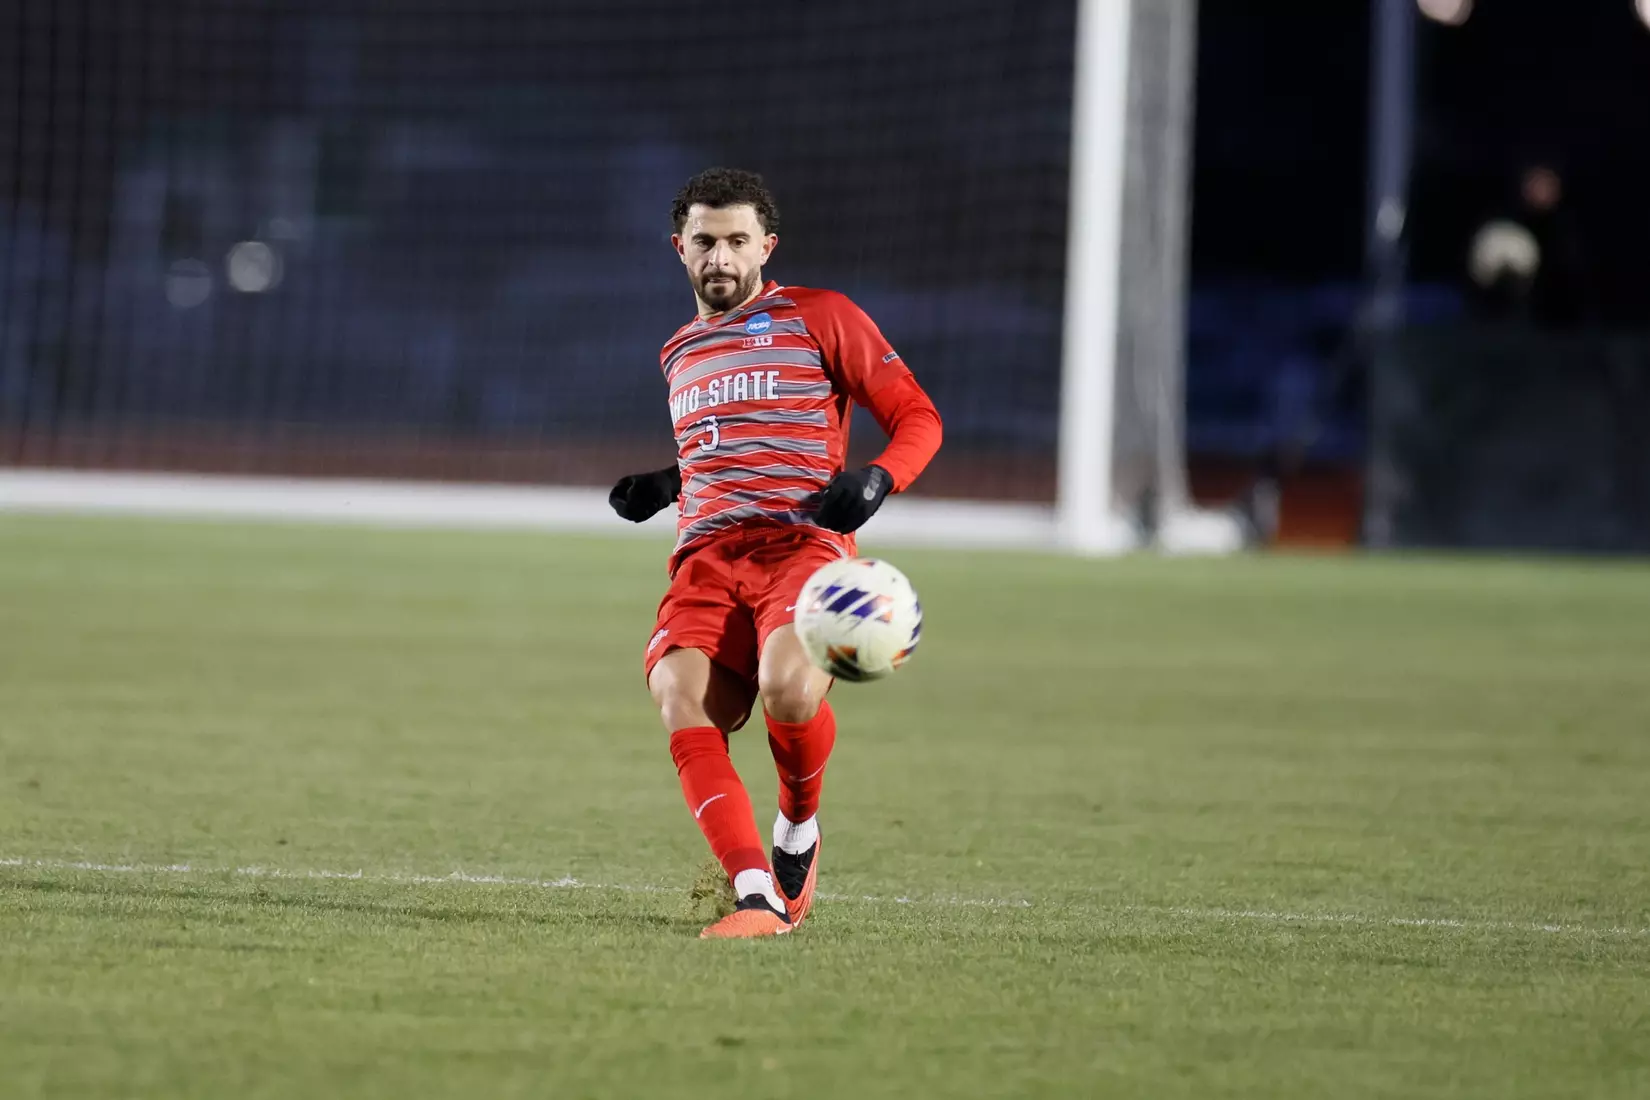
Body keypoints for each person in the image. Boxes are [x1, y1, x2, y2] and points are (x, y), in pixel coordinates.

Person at [609, 168, 943, 939]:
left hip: (801, 546)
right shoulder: (678, 352)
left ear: (767, 246)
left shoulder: (821, 315)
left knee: (787, 689)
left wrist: (877, 479)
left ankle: (797, 826)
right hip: (706, 556)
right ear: (679, 248)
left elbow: (918, 416)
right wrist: (667, 483)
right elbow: (723, 447)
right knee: (681, 697)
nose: (720, 257)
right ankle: (757, 893)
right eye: (705, 242)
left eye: (737, 241)